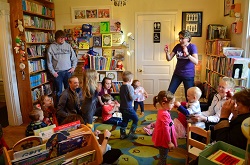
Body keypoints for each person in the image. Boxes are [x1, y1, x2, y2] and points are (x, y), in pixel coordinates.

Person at [164, 30, 198, 99]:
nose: (180, 40)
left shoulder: (192, 47)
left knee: (189, 96)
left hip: (188, 75)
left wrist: (187, 54)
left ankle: (189, 110)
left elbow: (196, 62)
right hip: (177, 74)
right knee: (169, 94)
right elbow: (169, 58)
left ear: (188, 39)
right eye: (179, 38)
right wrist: (167, 52)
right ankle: (166, 109)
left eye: (182, 38)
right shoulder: (177, 46)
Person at [47, 30, 78, 102]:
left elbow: (74, 58)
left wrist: (73, 67)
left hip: (68, 72)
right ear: (56, 38)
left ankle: (70, 106)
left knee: (70, 90)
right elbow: (49, 62)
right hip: (57, 73)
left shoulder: (68, 46)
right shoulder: (51, 47)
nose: (62, 40)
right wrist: (53, 72)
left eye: (63, 38)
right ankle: (59, 109)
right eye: (61, 38)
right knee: (58, 92)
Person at [152, 90, 177, 165]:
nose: (173, 105)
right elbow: (166, 130)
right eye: (171, 103)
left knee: (163, 155)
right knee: (163, 157)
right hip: (164, 139)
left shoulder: (162, 110)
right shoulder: (164, 114)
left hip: (162, 137)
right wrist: (169, 142)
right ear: (163, 103)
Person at [119, 71, 139, 139]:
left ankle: (123, 134)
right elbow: (132, 97)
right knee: (136, 119)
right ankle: (132, 133)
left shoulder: (121, 87)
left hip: (122, 107)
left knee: (125, 119)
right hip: (128, 108)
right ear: (130, 80)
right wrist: (138, 94)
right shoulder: (130, 87)